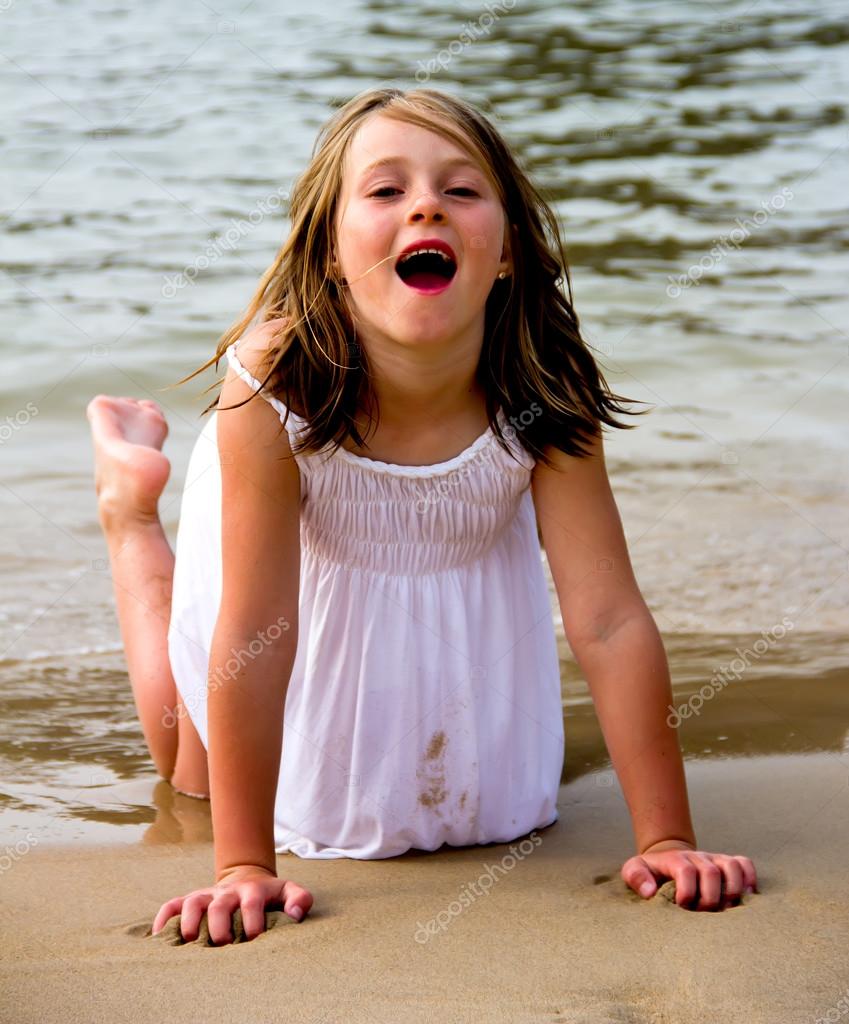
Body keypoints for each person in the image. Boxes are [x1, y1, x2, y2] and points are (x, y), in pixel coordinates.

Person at [86, 87, 757, 945]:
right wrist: (242, 866)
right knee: (193, 771)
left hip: (466, 614)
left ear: (508, 249)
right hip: (290, 576)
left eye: (461, 190)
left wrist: (666, 839)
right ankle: (130, 515)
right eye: (384, 190)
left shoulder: (544, 387)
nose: (426, 205)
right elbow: (259, 623)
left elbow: (608, 616)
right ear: (329, 250)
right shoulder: (275, 389)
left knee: (504, 813)